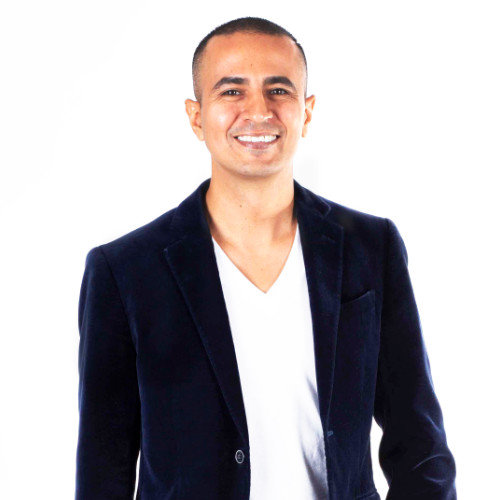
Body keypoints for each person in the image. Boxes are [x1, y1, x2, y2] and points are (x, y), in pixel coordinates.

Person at [75, 16, 457, 500]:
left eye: (278, 90)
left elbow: (419, 443)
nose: (258, 111)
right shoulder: (125, 271)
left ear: (306, 111)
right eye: (231, 91)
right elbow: (103, 467)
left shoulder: (370, 247)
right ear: (196, 116)